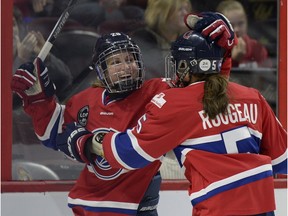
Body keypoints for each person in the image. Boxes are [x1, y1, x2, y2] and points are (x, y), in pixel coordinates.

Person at [89, 32, 287, 215]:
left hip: (217, 209)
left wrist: (98, 141)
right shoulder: (252, 97)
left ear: (186, 65)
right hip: (263, 207)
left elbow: (131, 154)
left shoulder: (174, 102)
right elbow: (282, 161)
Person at [11, 32, 172, 216]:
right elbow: (53, 134)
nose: (126, 67)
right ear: (101, 70)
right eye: (116, 62)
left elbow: (192, 94)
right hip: (91, 207)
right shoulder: (86, 101)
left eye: (130, 59)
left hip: (135, 209)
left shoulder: (157, 92)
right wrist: (39, 102)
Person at [130, 0, 193, 79]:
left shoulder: (188, 38)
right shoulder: (143, 37)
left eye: (186, 9)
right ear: (163, 12)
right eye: (180, 9)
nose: (185, 13)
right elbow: (154, 71)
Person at [216, 0, 272, 68]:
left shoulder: (258, 49)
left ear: (247, 22)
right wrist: (233, 61)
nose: (237, 29)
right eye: (230, 25)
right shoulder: (215, 49)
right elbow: (216, 77)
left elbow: (266, 76)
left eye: (241, 23)